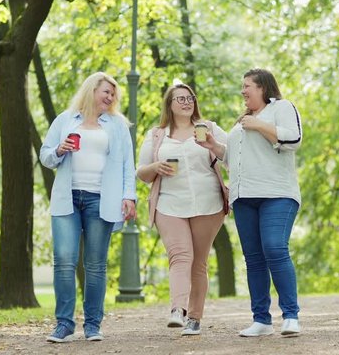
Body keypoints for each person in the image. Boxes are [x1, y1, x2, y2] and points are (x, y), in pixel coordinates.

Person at [196, 68, 303, 337]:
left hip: (277, 193)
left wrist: (259, 125)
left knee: (275, 248)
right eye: (242, 86)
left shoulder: (282, 108)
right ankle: (261, 320)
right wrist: (215, 147)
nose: (243, 91)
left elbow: (293, 139)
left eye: (248, 86)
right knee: (254, 259)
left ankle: (290, 316)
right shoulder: (243, 120)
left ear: (263, 87)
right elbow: (234, 159)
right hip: (244, 196)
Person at [39, 72, 137, 343]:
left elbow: (128, 163)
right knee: (64, 260)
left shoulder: (117, 125)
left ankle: (93, 325)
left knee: (95, 265)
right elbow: (45, 155)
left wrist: (129, 196)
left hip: (100, 199)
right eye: (106, 92)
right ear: (92, 90)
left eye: (113, 94)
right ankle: (64, 324)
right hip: (67, 198)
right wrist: (59, 150)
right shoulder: (65, 119)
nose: (110, 97)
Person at [137, 83, 228, 336]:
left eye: (190, 98)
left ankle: (195, 318)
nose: (187, 102)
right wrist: (156, 167)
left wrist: (214, 147)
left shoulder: (208, 128)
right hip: (169, 204)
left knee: (198, 263)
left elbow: (234, 157)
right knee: (179, 256)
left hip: (207, 204)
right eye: (180, 99)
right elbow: (141, 173)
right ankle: (178, 310)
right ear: (170, 105)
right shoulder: (157, 135)